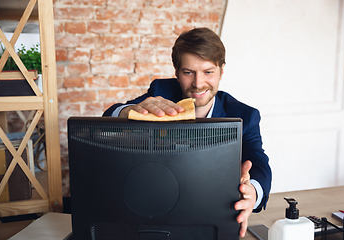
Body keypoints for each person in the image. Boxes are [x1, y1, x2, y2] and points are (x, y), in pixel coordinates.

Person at [103, 27, 272, 237]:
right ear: (176, 72)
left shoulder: (245, 115)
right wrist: (130, 110)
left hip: (210, 218)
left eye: (208, 72)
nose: (198, 83)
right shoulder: (160, 92)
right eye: (188, 72)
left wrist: (253, 192)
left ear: (221, 71)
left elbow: (260, 164)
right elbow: (110, 114)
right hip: (154, 211)